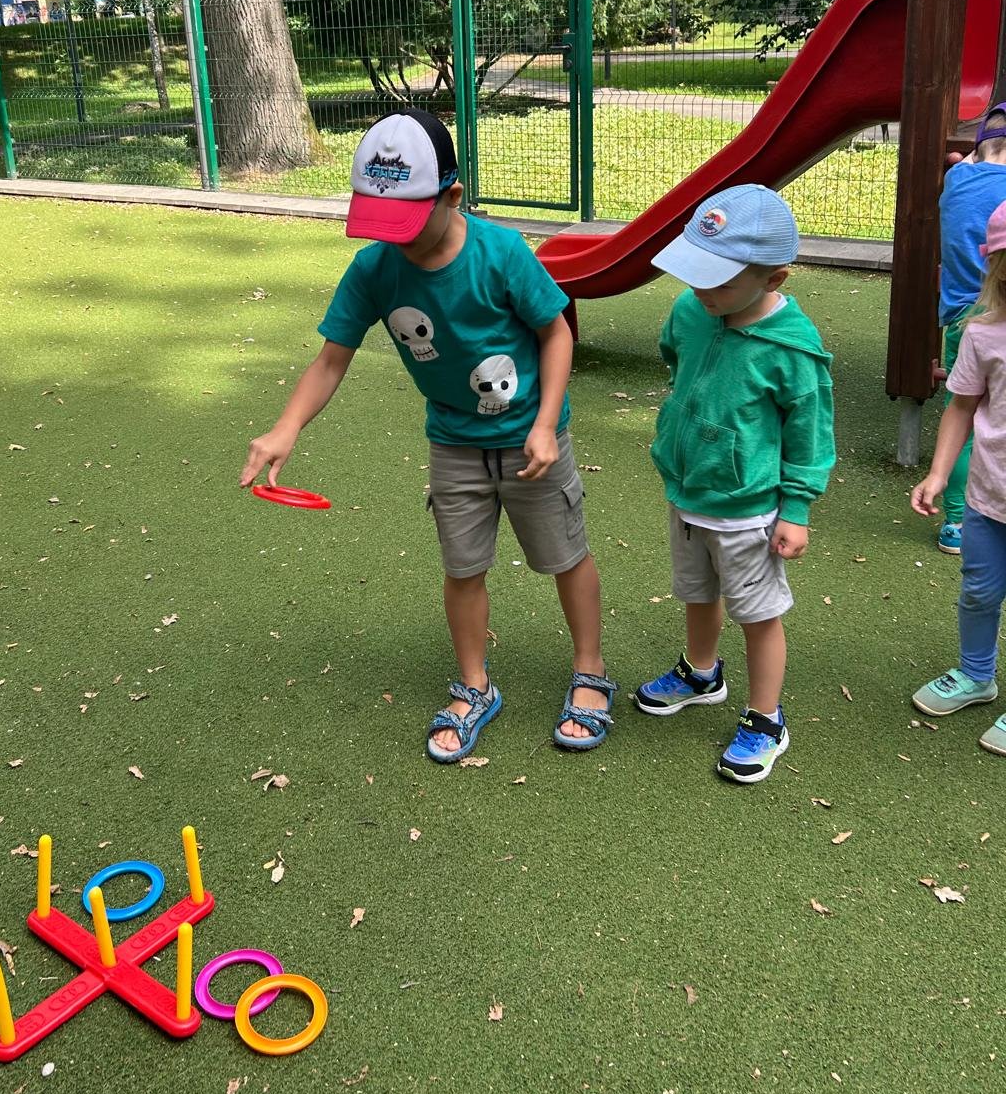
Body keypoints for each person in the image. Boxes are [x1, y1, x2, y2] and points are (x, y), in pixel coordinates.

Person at [239, 107, 614, 761]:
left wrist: (546, 424)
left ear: (452, 196)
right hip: (453, 443)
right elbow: (331, 359)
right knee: (462, 568)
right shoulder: (375, 270)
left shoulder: (501, 254)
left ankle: (590, 670)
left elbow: (556, 334)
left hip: (531, 439)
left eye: (408, 222)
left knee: (565, 556)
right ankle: (474, 685)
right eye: (383, 222)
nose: (398, 240)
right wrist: (284, 429)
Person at [634, 184, 836, 784]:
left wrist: (796, 508)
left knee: (758, 614)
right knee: (697, 592)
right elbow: (677, 358)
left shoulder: (791, 350)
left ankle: (766, 718)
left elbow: (810, 436)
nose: (700, 290)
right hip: (688, 491)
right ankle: (701, 673)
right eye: (694, 271)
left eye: (717, 281)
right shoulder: (691, 311)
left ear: (774, 279)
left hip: (747, 511)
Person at [909, 198, 1006, 757]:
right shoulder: (983, 333)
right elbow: (961, 406)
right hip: (989, 499)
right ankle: (976, 674)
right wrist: (938, 473)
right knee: (979, 590)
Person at [934, 109, 1006, 554]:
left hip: (963, 319)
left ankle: (957, 523)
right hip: (1000, 314)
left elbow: (967, 164)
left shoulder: (957, 178)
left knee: (961, 412)